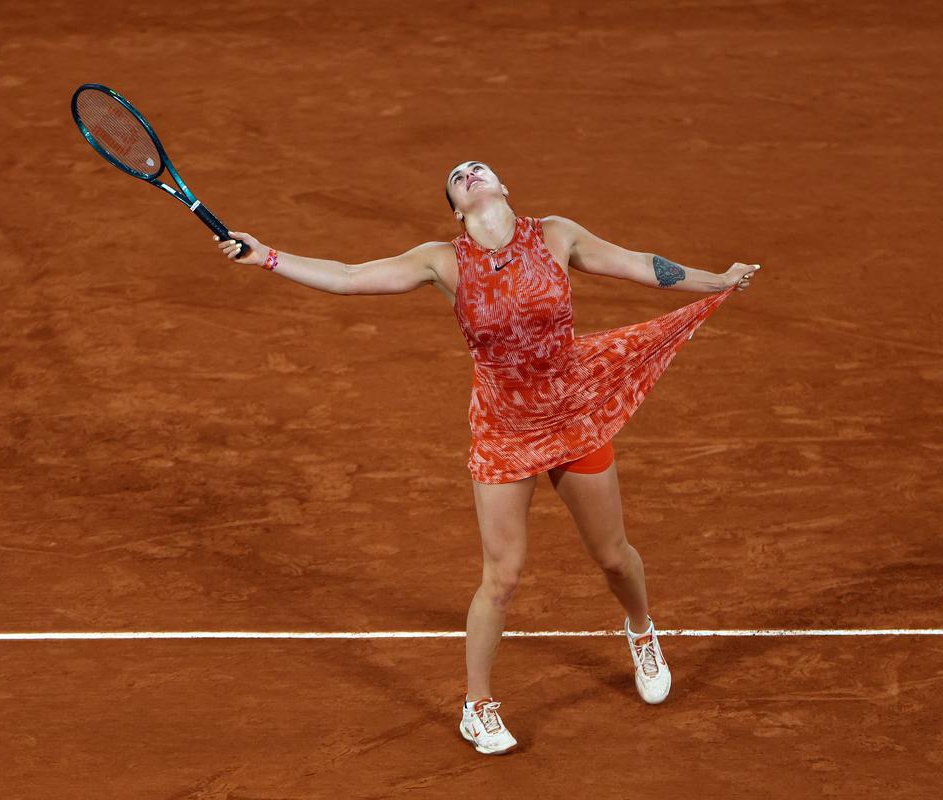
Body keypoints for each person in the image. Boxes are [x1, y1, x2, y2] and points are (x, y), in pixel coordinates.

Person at [214, 161, 759, 755]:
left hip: (573, 414)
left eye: (480, 170)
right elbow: (347, 276)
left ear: (504, 189)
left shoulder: (556, 235)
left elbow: (640, 265)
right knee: (501, 577)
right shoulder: (440, 262)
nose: (470, 174)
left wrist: (716, 281)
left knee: (614, 558)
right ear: (455, 208)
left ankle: (640, 628)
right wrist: (266, 256)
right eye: (458, 176)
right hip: (504, 429)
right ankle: (478, 706)